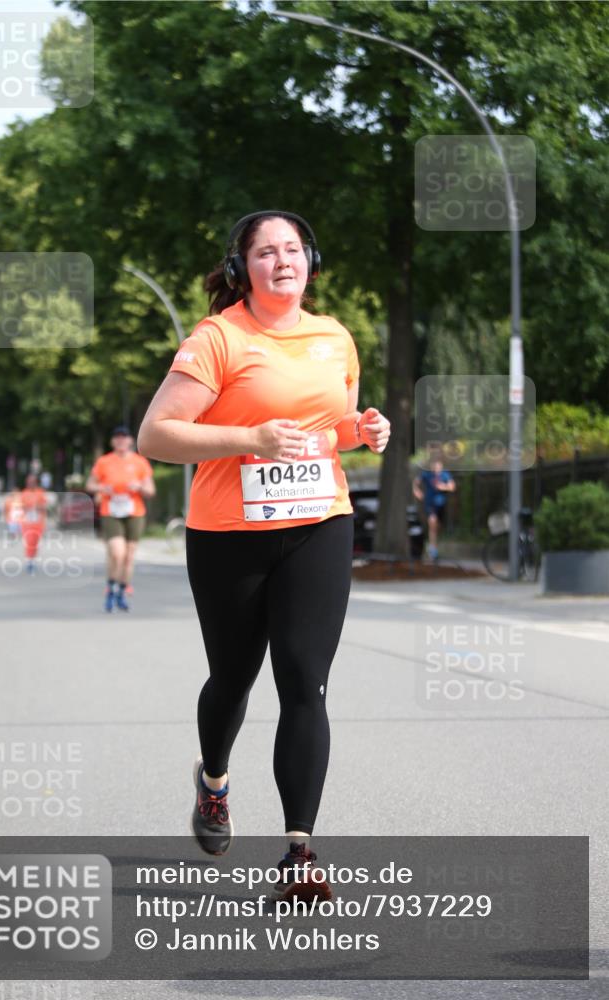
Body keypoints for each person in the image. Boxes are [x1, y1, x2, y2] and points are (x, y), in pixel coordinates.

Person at [138, 211, 390, 903]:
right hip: (227, 532)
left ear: (310, 260)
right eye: (265, 252)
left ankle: (299, 852)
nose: (282, 261)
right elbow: (155, 436)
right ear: (239, 269)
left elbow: (329, 425)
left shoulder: (334, 336)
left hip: (318, 522)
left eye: (292, 250)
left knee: (305, 682)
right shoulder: (218, 338)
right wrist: (246, 436)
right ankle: (214, 781)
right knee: (232, 677)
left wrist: (361, 428)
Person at [86, 426, 155, 612]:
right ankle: (111, 589)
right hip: (111, 510)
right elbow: (90, 484)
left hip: (134, 511)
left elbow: (150, 490)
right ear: (112, 442)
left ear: (130, 441)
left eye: (124, 438)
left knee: (129, 556)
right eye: (117, 438)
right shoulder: (104, 462)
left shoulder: (140, 463)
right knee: (117, 553)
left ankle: (121, 592)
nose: (121, 441)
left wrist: (139, 486)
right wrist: (102, 487)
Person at [413, 458, 456, 561]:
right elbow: (416, 482)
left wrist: (444, 487)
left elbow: (452, 487)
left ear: (441, 466)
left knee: (438, 526)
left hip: (441, 504)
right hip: (430, 504)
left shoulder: (445, 475)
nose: (436, 468)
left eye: (438, 466)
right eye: (434, 466)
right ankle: (433, 550)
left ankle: (434, 544)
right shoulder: (427, 474)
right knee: (432, 523)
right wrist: (416, 491)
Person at [19, 474, 48, 573]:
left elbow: (44, 507)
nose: (30, 483)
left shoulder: (40, 493)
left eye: (32, 482)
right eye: (28, 482)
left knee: (35, 542)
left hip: (38, 522)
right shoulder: (24, 493)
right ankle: (29, 560)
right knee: (28, 541)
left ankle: (33, 559)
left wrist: (37, 507)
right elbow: (21, 507)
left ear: (35, 482)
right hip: (27, 522)